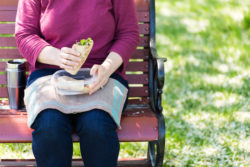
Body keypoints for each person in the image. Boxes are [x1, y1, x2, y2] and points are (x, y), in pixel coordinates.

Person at [15, 0, 139, 167]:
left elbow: (128, 33)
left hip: (102, 73)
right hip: (49, 72)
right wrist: (58, 57)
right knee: (50, 125)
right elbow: (25, 34)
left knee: (96, 125)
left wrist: (107, 68)